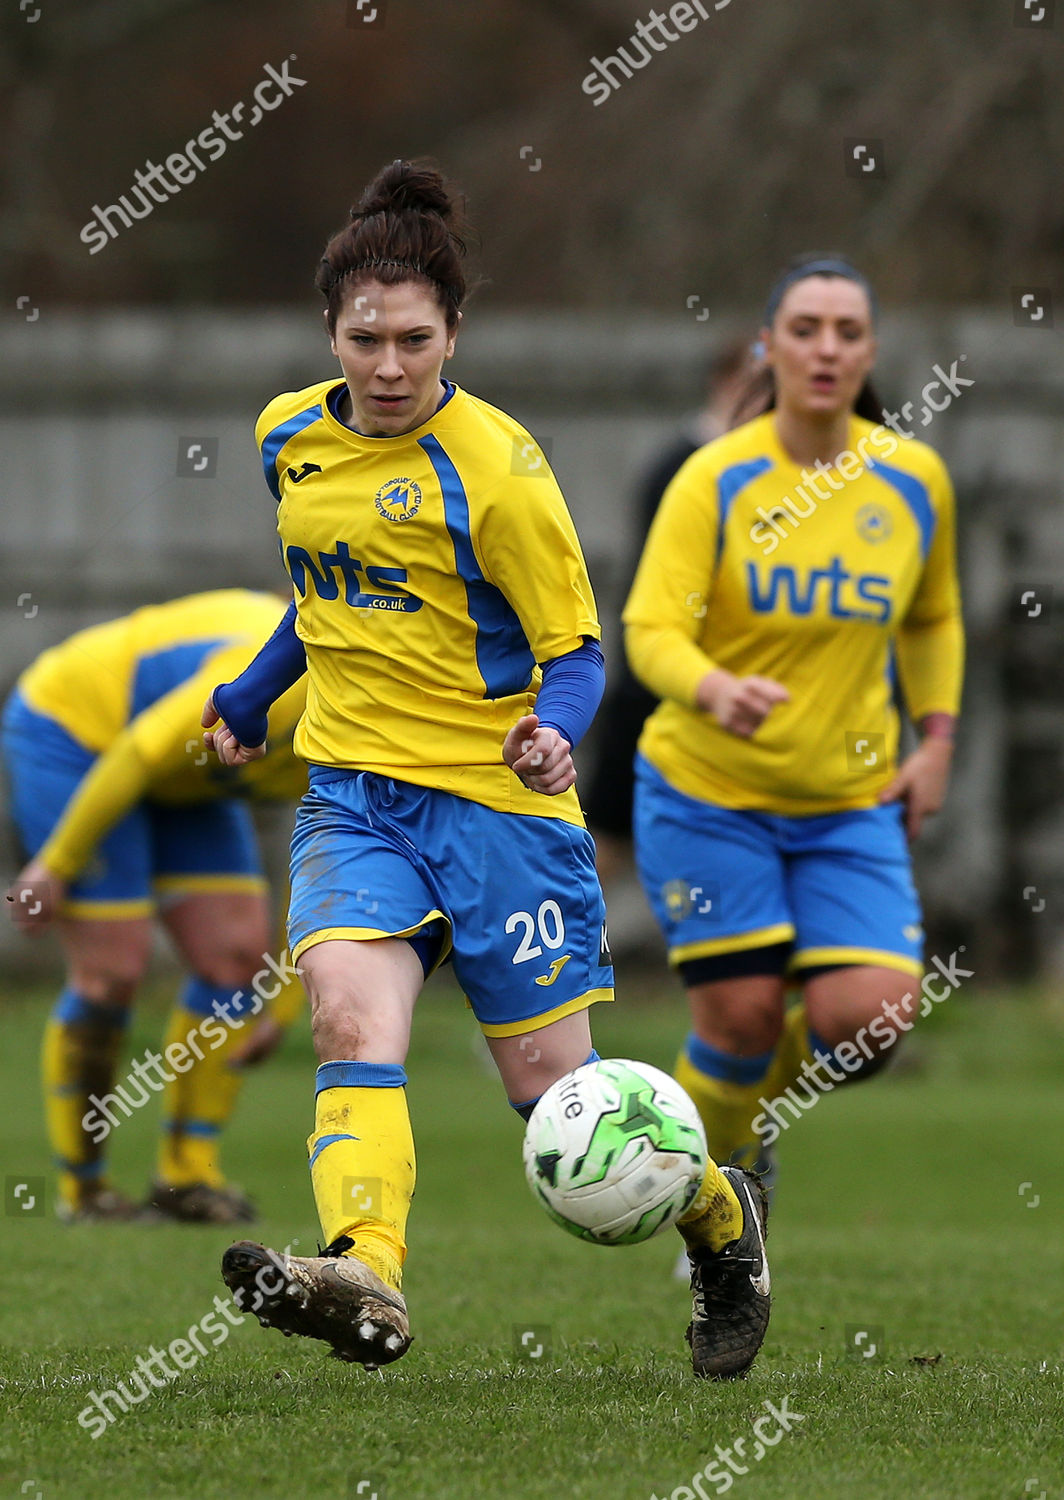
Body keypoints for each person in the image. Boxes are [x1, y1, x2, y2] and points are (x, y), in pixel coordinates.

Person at [205, 159, 770, 1381]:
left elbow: (576, 645)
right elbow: (327, 600)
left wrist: (558, 729)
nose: (390, 366)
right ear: (331, 333)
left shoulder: (499, 471)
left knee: (555, 1101)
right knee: (349, 1015)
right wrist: (250, 699)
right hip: (353, 795)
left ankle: (720, 1223)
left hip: (502, 809)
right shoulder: (287, 439)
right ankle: (364, 1270)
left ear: (454, 333)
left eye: (415, 339)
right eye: (366, 339)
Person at [625, 254, 964, 1199]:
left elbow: (933, 618)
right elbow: (650, 628)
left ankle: (744, 1121)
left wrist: (935, 742)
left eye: (847, 332)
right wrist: (711, 688)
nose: (826, 348)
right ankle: (716, 1213)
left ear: (870, 352)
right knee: (738, 1018)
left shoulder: (913, 482)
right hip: (708, 794)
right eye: (805, 328)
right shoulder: (715, 479)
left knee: (871, 1023)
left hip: (849, 803)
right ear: (769, 346)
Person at [2, 589, 307, 1223]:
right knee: (113, 971)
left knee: (236, 963)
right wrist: (51, 870)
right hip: (76, 730)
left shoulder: (365, 736)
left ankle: (185, 1178)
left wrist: (281, 998)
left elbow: (322, 853)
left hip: (188, 772)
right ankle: (85, 1192)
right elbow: (139, 751)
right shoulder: (277, 688)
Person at [582, 341, 752, 885]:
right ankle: (564, 955)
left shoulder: (761, 467)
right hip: (655, 686)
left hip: (724, 687)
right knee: (605, 839)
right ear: (723, 383)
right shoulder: (683, 465)